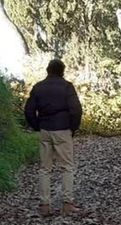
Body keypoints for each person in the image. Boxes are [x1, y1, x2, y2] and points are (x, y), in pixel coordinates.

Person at [23, 59, 84, 217]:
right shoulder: (67, 87)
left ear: (47, 70)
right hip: (63, 129)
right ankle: (67, 204)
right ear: (62, 71)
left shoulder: (38, 87)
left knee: (44, 168)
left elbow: (29, 110)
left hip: (45, 129)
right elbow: (76, 110)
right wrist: (73, 128)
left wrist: (37, 125)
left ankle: (45, 205)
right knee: (67, 167)